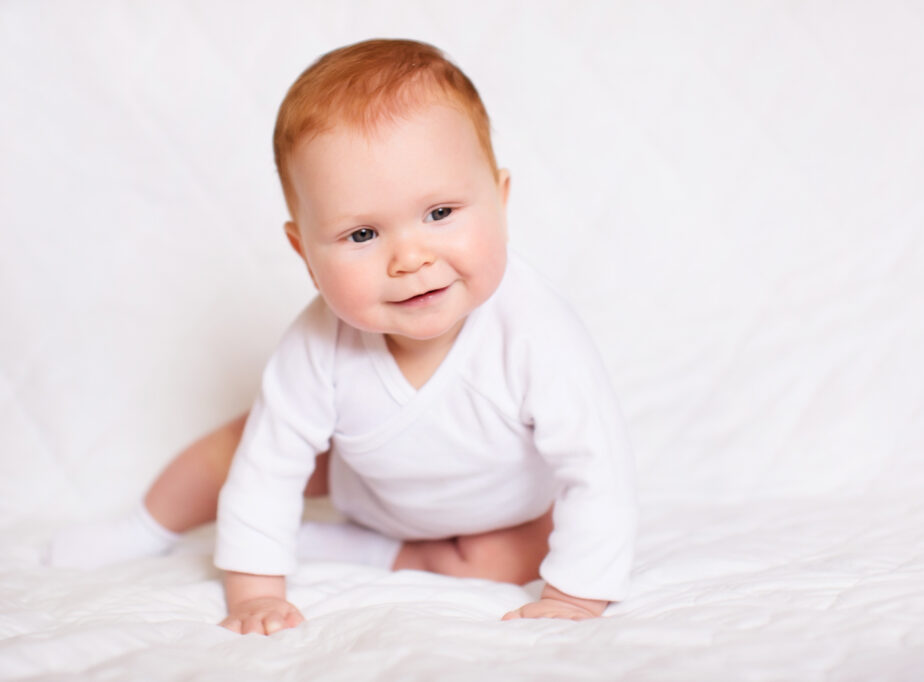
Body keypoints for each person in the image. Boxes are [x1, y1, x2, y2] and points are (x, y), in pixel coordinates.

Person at [48, 38, 636, 634]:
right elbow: (269, 468)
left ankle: (368, 553)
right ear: (305, 252)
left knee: (528, 555)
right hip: (364, 474)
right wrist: (254, 593)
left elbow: (597, 468)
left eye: (440, 214)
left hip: (498, 511)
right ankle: (145, 528)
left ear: (501, 202)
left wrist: (575, 597)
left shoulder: (538, 333)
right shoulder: (315, 343)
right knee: (242, 445)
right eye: (361, 235)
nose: (410, 257)